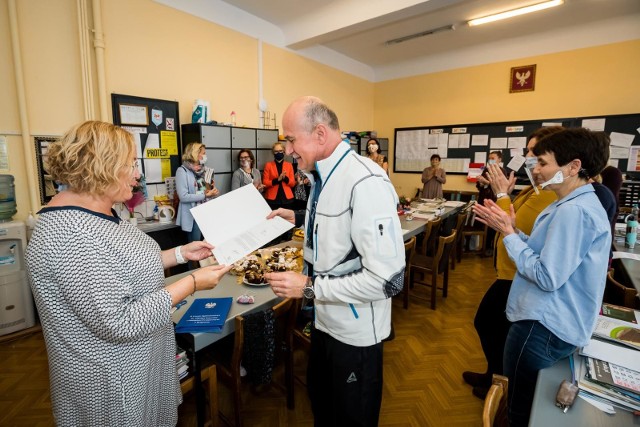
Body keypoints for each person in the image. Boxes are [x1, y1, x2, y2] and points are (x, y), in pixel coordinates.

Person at [25, 121, 231, 426]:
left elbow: (126, 264)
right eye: (131, 164)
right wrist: (191, 283)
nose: (138, 174)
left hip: (140, 369)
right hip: (113, 389)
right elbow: (118, 321)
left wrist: (180, 254)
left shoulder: (101, 212)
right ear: (101, 167)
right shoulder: (70, 235)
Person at [264, 96, 405, 426]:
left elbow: (389, 280)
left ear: (320, 133)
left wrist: (309, 288)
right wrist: (299, 217)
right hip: (326, 325)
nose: (287, 148)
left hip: (354, 337)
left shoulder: (365, 181)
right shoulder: (323, 175)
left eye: (290, 138)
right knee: (323, 410)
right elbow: (340, 229)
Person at [473, 128, 611, 426]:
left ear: (573, 166)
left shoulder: (574, 211)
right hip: (545, 320)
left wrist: (509, 235)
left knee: (520, 409)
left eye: (543, 163)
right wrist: (513, 230)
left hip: (542, 326)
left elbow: (547, 276)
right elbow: (545, 252)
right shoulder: (566, 203)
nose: (535, 170)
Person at [462, 127, 561, 399]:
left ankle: (499, 383)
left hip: (518, 273)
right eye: (528, 151)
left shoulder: (552, 193)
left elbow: (518, 225)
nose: (528, 157)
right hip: (510, 270)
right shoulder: (537, 187)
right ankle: (493, 376)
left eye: (535, 153)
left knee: (487, 323)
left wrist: (502, 196)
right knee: (493, 326)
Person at [176, 142, 219, 244]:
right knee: (195, 247)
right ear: (195, 154)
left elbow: (206, 191)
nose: (205, 156)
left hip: (206, 213)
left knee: (208, 245)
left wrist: (213, 192)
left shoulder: (204, 170)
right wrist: (205, 195)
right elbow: (183, 197)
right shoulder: (182, 171)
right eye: (203, 153)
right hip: (193, 216)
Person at [475, 150, 508, 256]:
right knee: (482, 224)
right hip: (483, 200)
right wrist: (481, 183)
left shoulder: (502, 171)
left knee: (492, 225)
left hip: (494, 201)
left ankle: (490, 248)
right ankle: (482, 247)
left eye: (493, 158)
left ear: (499, 159)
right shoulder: (486, 170)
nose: (490, 160)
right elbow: (478, 186)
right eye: (489, 158)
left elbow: (500, 186)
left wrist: (487, 183)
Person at [262, 141, 296, 211]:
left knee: (287, 220)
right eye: (276, 151)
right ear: (273, 153)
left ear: (284, 152)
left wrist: (285, 178)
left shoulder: (289, 165)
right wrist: (277, 180)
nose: (278, 153)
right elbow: (265, 183)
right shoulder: (268, 165)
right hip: (272, 199)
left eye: (280, 151)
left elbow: (292, 183)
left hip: (287, 198)